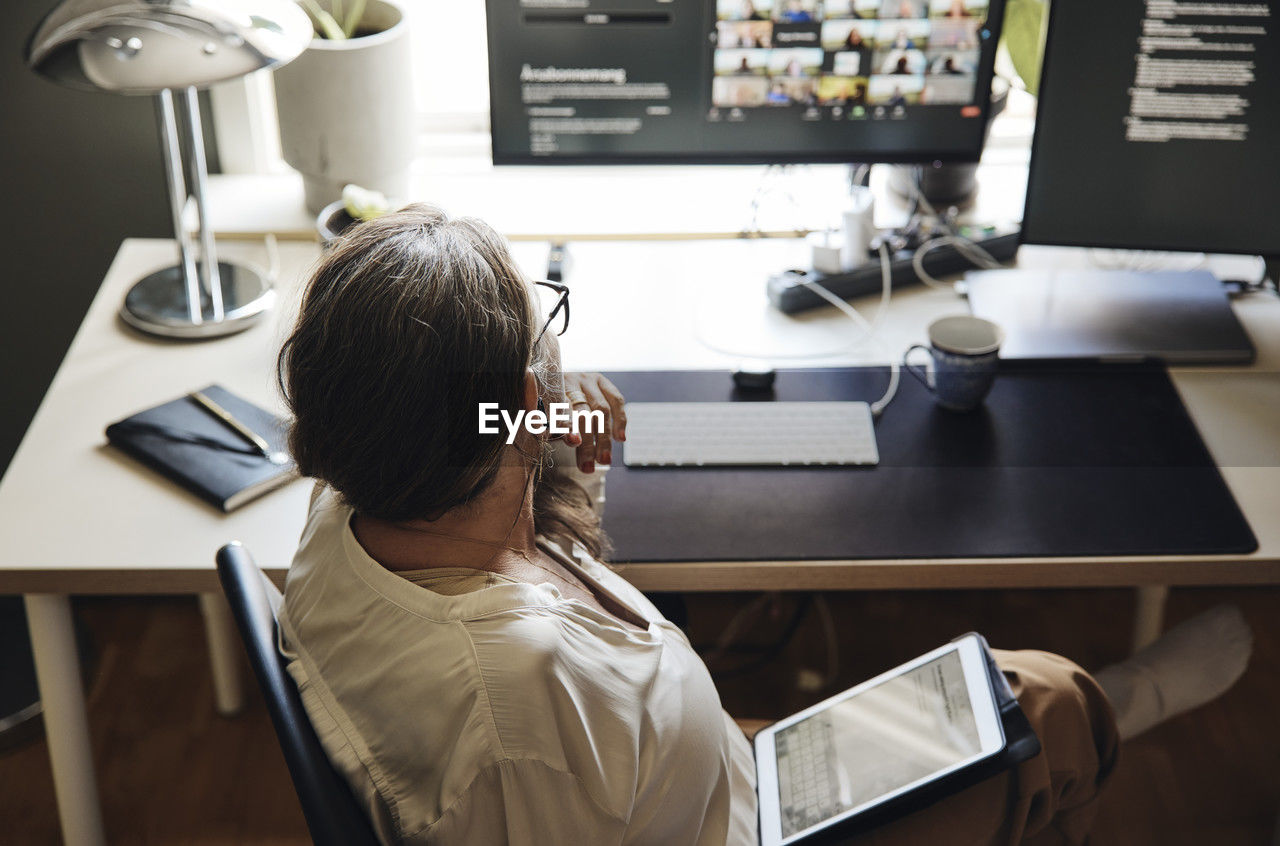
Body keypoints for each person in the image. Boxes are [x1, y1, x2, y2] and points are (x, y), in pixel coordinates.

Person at [277, 205, 1252, 845]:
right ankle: (1114, 708)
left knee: (988, 689)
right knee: (1036, 716)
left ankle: (1100, 703)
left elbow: (485, 477)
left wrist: (558, 433)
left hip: (707, 772)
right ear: (521, 399)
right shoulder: (529, 710)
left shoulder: (344, 502)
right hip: (735, 823)